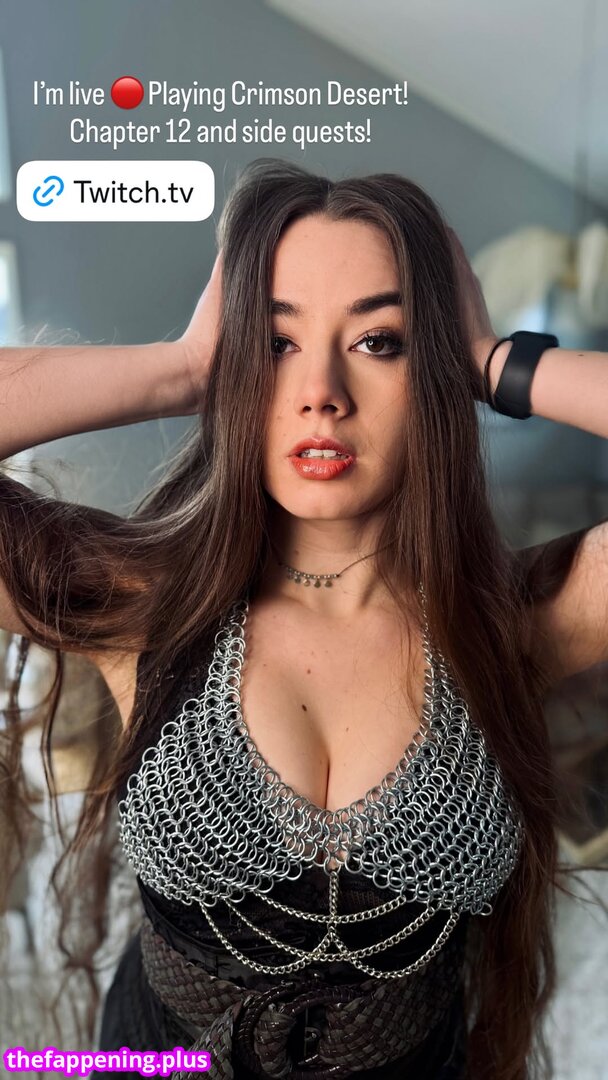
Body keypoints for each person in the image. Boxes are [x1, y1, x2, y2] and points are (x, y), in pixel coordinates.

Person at [1, 158, 607, 1080]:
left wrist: (495, 361)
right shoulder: (145, 603)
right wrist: (183, 367)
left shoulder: (518, 619)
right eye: (276, 342)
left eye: (380, 341)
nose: (321, 389)